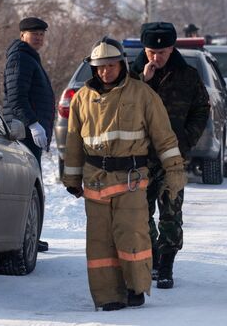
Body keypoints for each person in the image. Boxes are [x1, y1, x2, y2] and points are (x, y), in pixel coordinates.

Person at [62, 38, 186, 311]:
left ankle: (135, 287)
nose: (105, 72)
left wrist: (175, 172)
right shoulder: (82, 98)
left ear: (122, 65)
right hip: (95, 180)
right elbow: (72, 143)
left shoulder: (142, 94)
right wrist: (71, 179)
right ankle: (108, 295)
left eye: (111, 66)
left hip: (130, 180)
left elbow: (164, 138)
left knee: (132, 236)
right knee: (100, 243)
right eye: (100, 67)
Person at [130, 22, 210, 289]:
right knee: (140, 212)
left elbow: (201, 109)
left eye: (162, 52)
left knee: (171, 212)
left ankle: (166, 264)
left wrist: (187, 139)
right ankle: (151, 254)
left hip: (173, 157)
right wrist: (144, 80)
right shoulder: (130, 75)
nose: (157, 57)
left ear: (172, 48)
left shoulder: (187, 75)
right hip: (138, 156)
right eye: (152, 51)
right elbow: (119, 106)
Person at [3, 16, 54, 253]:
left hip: (30, 134)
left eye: (42, 34)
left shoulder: (30, 58)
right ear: (23, 35)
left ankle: (30, 237)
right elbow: (16, 98)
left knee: (32, 187)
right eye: (34, 33)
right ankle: (22, 239)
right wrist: (34, 124)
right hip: (24, 134)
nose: (39, 37)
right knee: (26, 188)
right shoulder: (20, 58)